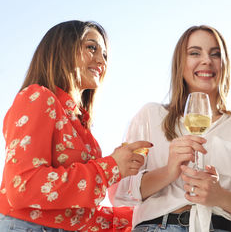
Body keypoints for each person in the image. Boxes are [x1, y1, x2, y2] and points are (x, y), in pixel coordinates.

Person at [109, 25, 231, 232]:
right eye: (195, 53)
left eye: (215, 54)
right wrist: (169, 171)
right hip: (158, 226)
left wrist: (221, 196)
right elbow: (120, 191)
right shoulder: (151, 116)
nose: (206, 60)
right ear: (180, 62)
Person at [0, 20, 152, 232]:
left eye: (105, 55)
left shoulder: (80, 123)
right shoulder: (38, 97)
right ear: (62, 49)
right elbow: (23, 187)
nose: (102, 60)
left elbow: (75, 214)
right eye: (91, 48)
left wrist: (154, 215)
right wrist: (110, 167)